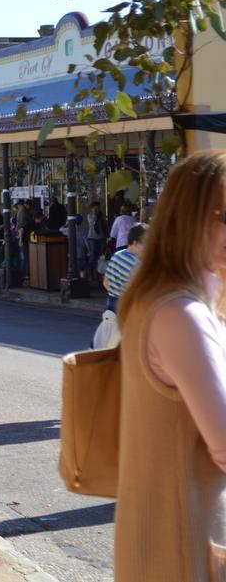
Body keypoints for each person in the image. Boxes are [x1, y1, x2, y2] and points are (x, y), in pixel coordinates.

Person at [113, 150, 226, 581]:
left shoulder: (166, 300)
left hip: (165, 535)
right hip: (183, 543)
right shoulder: (182, 314)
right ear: (188, 218)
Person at [103, 222, 147, 313]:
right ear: (135, 243)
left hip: (110, 302)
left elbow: (105, 282)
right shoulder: (137, 263)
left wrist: (115, 292)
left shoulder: (117, 255)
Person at [85, 201, 108, 281]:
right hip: (92, 238)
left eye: (97, 207)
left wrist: (106, 236)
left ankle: (98, 272)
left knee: (100, 256)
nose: (96, 209)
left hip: (101, 238)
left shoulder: (102, 216)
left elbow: (105, 226)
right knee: (92, 255)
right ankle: (90, 271)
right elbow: (92, 223)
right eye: (94, 208)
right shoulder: (90, 216)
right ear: (92, 208)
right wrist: (95, 215)